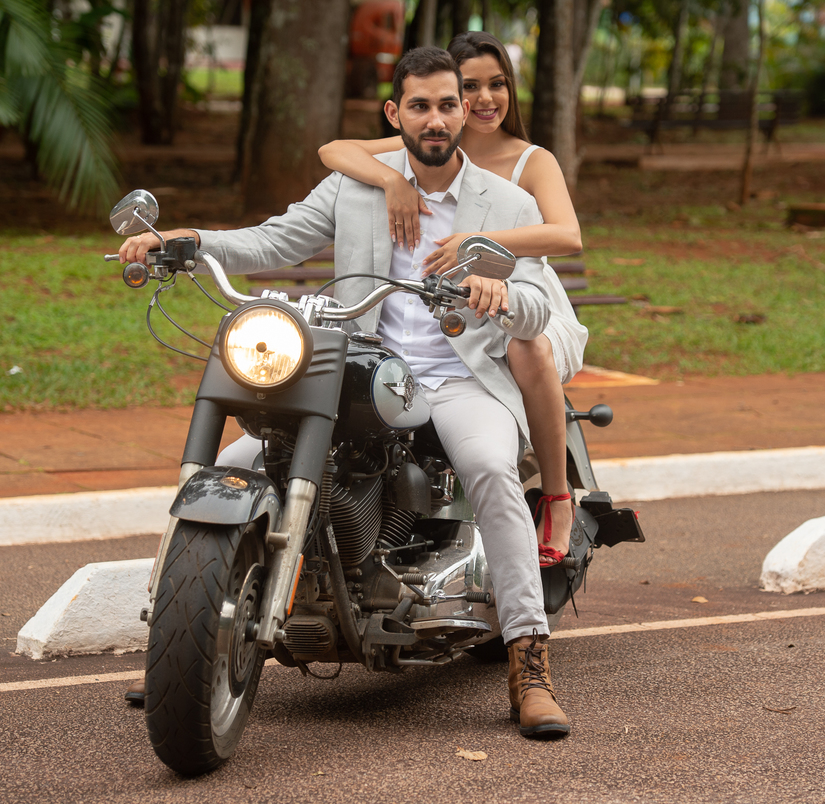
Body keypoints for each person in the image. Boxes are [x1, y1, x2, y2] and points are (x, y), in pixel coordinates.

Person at [118, 46, 570, 739]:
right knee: (231, 467)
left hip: (455, 379)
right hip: (363, 367)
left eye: (448, 103)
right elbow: (275, 241)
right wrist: (193, 238)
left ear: (461, 113)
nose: (437, 117)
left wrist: (502, 292)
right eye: (420, 105)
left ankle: (529, 663)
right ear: (396, 114)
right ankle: (180, 648)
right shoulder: (357, 186)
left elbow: (539, 307)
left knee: (488, 470)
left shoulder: (504, 201)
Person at [319, 31, 588, 568]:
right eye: (472, 87)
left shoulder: (528, 161)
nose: (485, 99)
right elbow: (334, 151)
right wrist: (393, 184)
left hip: (524, 296)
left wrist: (478, 242)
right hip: (455, 302)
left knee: (526, 346)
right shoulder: (426, 141)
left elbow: (567, 237)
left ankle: (557, 495)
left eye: (496, 85)